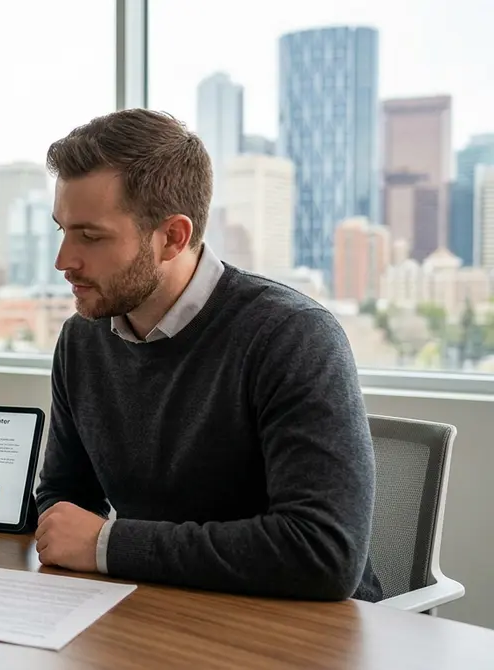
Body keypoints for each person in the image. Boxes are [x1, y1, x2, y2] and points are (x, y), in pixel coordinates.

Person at [33, 108, 382, 602]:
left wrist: (108, 543)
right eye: (62, 230)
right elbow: (64, 498)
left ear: (173, 237)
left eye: (90, 236)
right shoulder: (82, 340)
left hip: (302, 632)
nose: (63, 261)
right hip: (159, 611)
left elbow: (322, 552)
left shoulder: (291, 335)